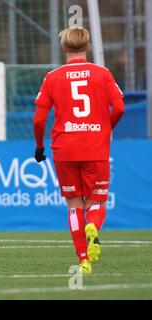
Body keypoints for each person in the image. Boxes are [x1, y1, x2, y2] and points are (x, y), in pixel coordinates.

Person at [33, 26, 124, 273]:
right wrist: (105, 128)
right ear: (88, 46)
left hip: (65, 148)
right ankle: (92, 225)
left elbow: (39, 120)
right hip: (96, 146)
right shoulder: (102, 74)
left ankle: (83, 260)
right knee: (96, 202)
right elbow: (120, 108)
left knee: (74, 204)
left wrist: (40, 146)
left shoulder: (52, 77)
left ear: (64, 48)